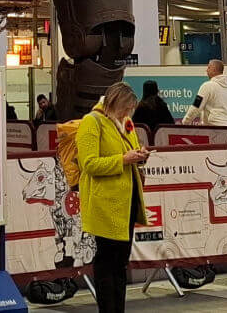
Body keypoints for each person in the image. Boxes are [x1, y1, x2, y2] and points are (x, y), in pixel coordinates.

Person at [77, 82, 150, 313]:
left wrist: (140, 156)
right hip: (104, 204)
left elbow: (130, 152)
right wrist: (123, 160)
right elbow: (88, 164)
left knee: (120, 262)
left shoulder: (125, 123)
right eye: (125, 108)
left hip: (126, 202)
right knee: (107, 262)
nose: (128, 114)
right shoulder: (92, 122)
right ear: (114, 102)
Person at [182, 60, 227, 127]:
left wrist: (185, 122)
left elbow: (196, 106)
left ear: (214, 70)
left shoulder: (206, 86)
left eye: (208, 68)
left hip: (215, 129)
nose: (206, 70)